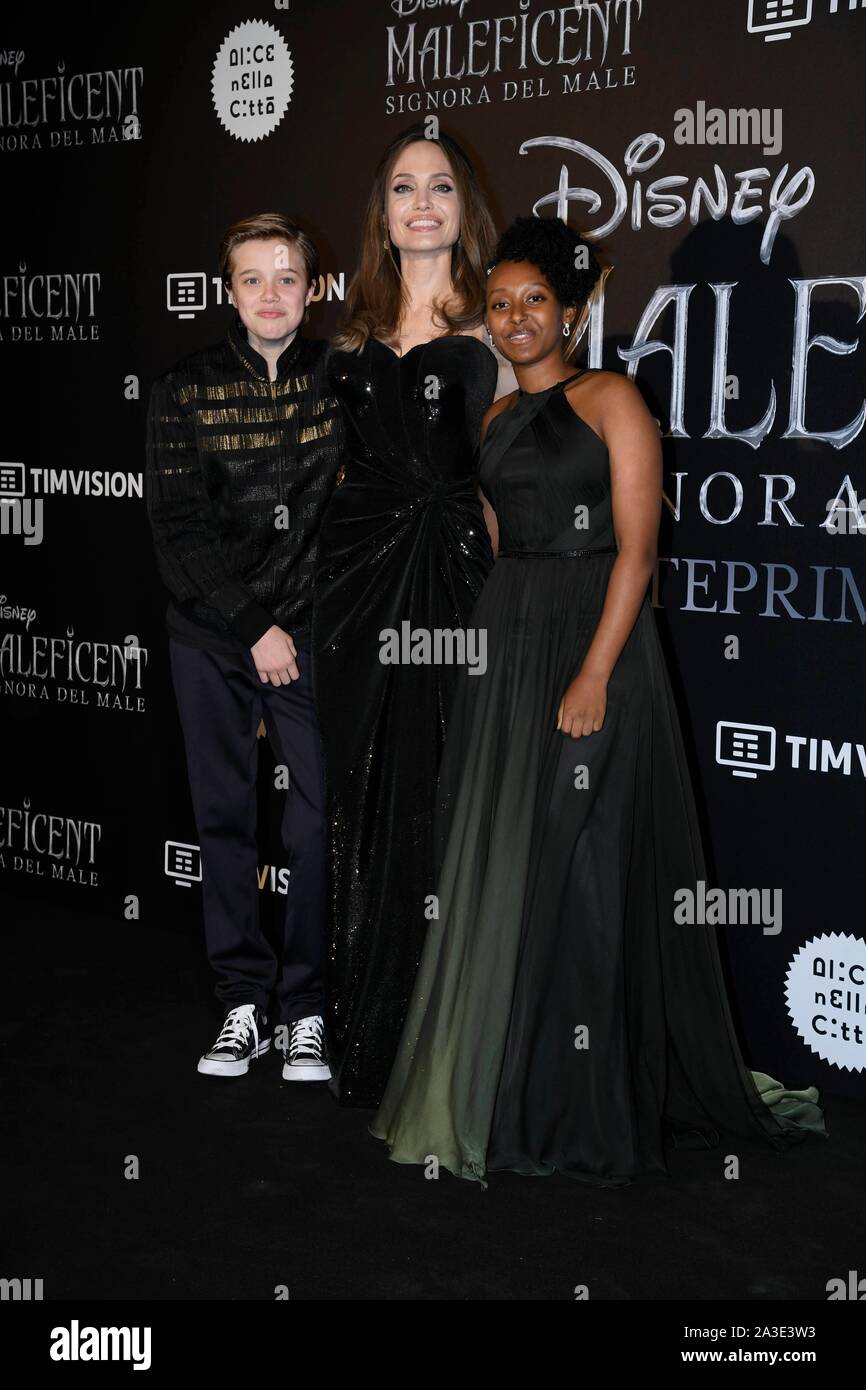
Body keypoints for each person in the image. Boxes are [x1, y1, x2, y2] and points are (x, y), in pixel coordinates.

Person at [370, 216, 826, 1185]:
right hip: (510, 643)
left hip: (597, 645)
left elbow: (637, 552)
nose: (516, 317)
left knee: (585, 873)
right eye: (499, 304)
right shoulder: (490, 421)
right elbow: (500, 542)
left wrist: (588, 671)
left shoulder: (613, 398)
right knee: (507, 867)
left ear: (570, 309)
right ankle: (502, 1092)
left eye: (534, 299)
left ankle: (582, 1107)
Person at [312, 124, 515, 1108]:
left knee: (454, 795)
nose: (421, 203)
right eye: (402, 187)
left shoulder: (496, 334)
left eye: (439, 187)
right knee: (369, 799)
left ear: (462, 209)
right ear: (381, 214)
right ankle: (378, 1034)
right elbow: (327, 484)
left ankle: (459, 1041)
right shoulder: (346, 343)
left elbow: (513, 483)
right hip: (359, 594)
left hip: (458, 585)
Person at [145, 213, 343, 1082]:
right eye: (253, 278)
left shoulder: (343, 382)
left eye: (287, 277)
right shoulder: (183, 389)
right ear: (228, 290)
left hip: (309, 638)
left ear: (312, 288)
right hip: (212, 638)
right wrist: (250, 628)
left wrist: (292, 628)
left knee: (313, 819)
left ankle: (305, 1008)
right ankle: (241, 1003)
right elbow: (178, 530)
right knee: (223, 819)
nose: (271, 294)